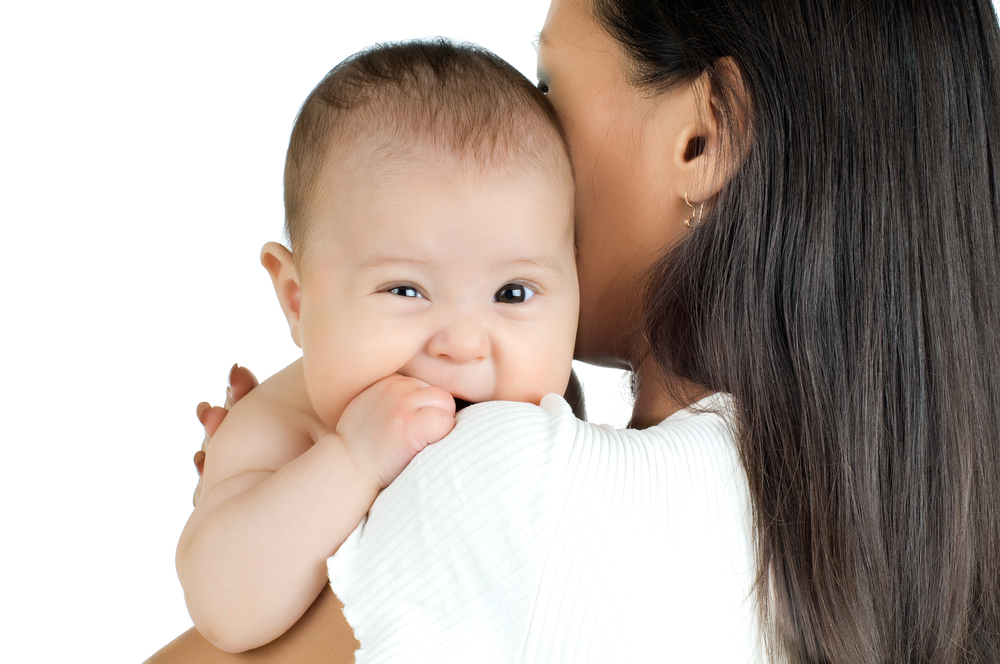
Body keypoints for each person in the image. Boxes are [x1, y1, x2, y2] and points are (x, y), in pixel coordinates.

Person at [149, 0, 1000, 661]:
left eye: (547, 88)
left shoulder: (519, 494)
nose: (512, 134)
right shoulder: (922, 536)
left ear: (704, 139)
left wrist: (272, 505)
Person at [175, 40, 580, 653]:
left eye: (514, 292)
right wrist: (352, 460)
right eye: (406, 289)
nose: (464, 343)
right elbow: (226, 608)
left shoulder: (545, 424)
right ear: (297, 299)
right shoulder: (280, 430)